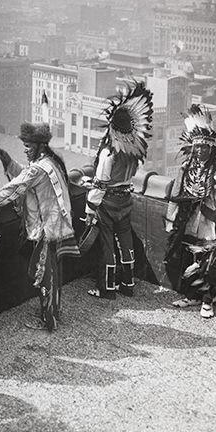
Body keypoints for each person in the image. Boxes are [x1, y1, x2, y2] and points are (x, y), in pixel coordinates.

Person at [0, 99, 79, 332]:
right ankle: (53, 312)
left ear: (40, 146)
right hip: (55, 225)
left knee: (43, 274)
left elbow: (16, 187)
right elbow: (27, 176)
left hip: (45, 229)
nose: (26, 149)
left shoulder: (39, 168)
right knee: (51, 272)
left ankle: (48, 319)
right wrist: (9, 162)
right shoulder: (51, 162)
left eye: (28, 146)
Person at [70, 81, 154, 299]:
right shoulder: (134, 151)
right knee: (125, 242)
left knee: (107, 244)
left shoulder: (109, 152)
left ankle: (107, 289)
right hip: (125, 200)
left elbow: (100, 183)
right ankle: (128, 284)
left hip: (107, 203)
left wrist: (90, 208)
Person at [165, 105, 216, 319]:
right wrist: (171, 220)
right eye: (197, 147)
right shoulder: (186, 168)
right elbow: (176, 193)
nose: (200, 151)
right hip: (189, 222)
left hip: (210, 226)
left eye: (204, 147)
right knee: (188, 258)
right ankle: (192, 296)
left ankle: (208, 301)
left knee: (210, 265)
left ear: (212, 149)